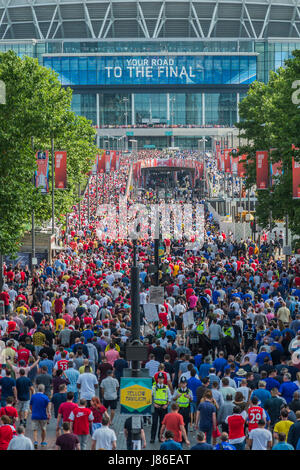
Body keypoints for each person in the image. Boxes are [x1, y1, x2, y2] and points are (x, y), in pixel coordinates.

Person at [150, 372, 172, 443]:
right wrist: (153, 404)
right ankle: (152, 438)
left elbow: (170, 398)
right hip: (156, 407)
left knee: (162, 424)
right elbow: (149, 397)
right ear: (157, 379)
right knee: (154, 423)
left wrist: (167, 405)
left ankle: (160, 437)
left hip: (163, 408)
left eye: (162, 379)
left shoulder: (166, 387)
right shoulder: (154, 387)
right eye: (159, 378)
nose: (160, 380)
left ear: (163, 379)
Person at [29, 383, 51, 449]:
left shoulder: (33, 396)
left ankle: (35, 441)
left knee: (35, 429)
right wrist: (49, 413)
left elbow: (30, 405)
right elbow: (48, 407)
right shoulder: (45, 397)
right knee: (43, 429)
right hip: (43, 416)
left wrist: (32, 411)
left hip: (35, 415)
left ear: (37, 389)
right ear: (43, 390)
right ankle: (42, 442)